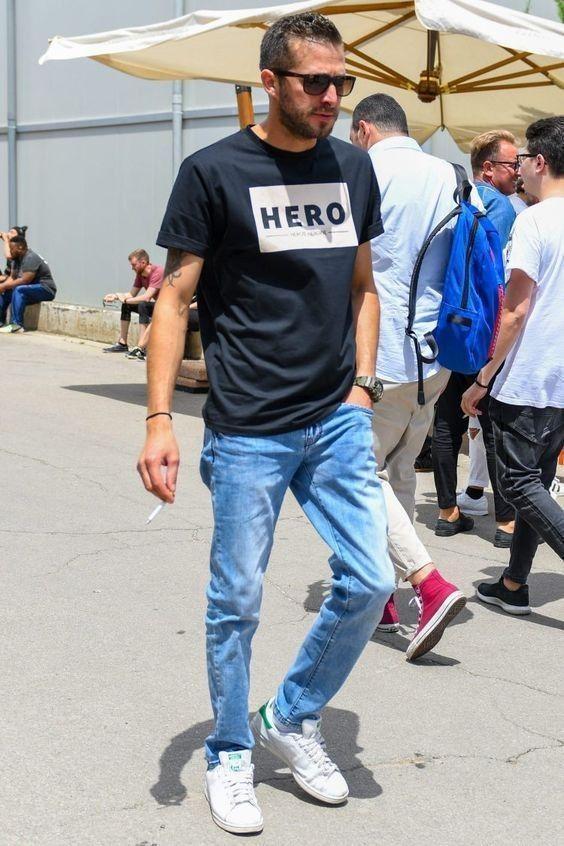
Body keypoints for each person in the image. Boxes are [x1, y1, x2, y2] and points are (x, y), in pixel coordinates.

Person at [138, 12, 396, 835]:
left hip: (335, 417)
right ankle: (228, 751)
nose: (332, 96)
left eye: (341, 82)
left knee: (372, 581)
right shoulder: (213, 171)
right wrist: (158, 420)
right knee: (236, 600)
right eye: (315, 82)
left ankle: (288, 715)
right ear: (271, 81)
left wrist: (362, 386)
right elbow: (173, 299)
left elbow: (363, 285)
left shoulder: (353, 167)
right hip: (248, 427)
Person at [349, 93, 466, 656]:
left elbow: (346, 266)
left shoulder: (362, 172)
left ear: (364, 129)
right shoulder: (449, 174)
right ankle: (386, 600)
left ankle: (427, 582)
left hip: (376, 353)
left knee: (355, 475)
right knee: (398, 474)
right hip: (435, 353)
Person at [462, 116, 564, 614]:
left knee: (519, 484)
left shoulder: (535, 221)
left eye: (522, 158)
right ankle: (513, 583)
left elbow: (516, 310)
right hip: (559, 379)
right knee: (535, 484)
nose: (518, 168)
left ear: (540, 162)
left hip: (529, 375)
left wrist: (484, 377)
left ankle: (515, 582)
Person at [432, 129, 519, 547]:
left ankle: (447, 512)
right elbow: (501, 277)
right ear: (488, 168)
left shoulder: (455, 199)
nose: (517, 171)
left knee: (446, 419)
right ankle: (506, 522)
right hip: (486, 331)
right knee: (492, 423)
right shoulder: (499, 206)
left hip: (451, 324)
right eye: (511, 164)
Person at [102, 249, 163, 360]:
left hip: (165, 308)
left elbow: (147, 297)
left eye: (134, 265)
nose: (132, 268)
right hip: (156, 307)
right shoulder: (140, 275)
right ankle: (122, 343)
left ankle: (141, 348)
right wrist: (115, 296)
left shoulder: (158, 272)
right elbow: (131, 294)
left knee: (143, 305)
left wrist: (125, 300)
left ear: (143, 262)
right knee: (128, 305)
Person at [0, 236, 56, 333]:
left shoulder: (31, 257)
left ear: (20, 247)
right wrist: (2, 287)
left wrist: (3, 286)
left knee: (19, 290)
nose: (10, 251)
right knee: (5, 291)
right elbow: (12, 278)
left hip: (45, 289)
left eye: (12, 248)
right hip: (29, 289)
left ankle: (17, 325)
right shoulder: (16, 259)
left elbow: (25, 280)